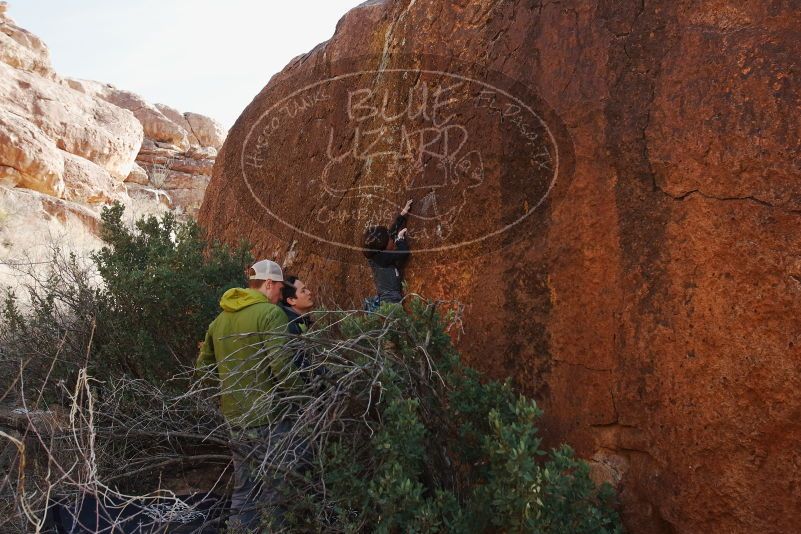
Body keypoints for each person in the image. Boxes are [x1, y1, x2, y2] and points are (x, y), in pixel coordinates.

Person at [196, 259, 300, 532]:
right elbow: (282, 367)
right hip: (270, 417)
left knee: (245, 490)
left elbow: (203, 369)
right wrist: (303, 398)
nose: (281, 293)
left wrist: (229, 388)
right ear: (268, 284)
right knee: (276, 489)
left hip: (236, 420)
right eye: (279, 287)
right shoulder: (270, 314)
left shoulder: (219, 321)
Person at [363, 199, 413, 310]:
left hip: (385, 296)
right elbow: (403, 253)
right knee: (397, 321)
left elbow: (390, 233)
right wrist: (400, 239)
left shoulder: (376, 254)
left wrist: (403, 214)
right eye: (391, 240)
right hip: (390, 299)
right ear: (384, 248)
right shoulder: (383, 259)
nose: (392, 239)